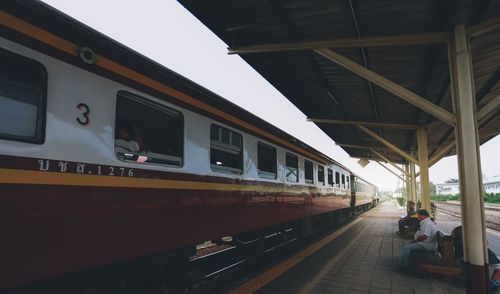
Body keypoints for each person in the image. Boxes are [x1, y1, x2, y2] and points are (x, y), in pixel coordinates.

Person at [452, 226, 500, 292]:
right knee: (498, 266)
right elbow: (497, 265)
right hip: (472, 268)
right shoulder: (473, 233)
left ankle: (492, 282)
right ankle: (492, 282)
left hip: (460, 260)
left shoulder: (457, 231)